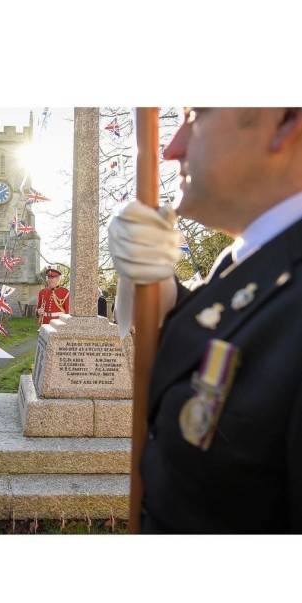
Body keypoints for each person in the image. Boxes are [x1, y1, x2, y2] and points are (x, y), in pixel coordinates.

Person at [108, 107, 302, 533]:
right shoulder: (252, 260)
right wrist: (161, 288)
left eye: (197, 115)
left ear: (285, 120)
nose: (172, 147)